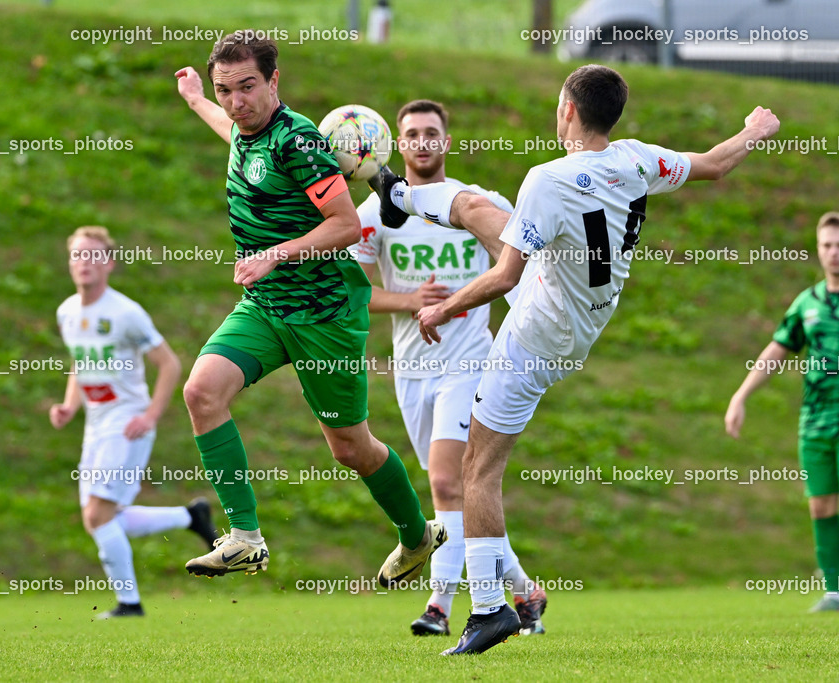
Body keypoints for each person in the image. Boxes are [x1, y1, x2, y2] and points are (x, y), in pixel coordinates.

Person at [373, 64, 780, 654]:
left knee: (476, 470)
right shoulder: (636, 160)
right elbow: (714, 163)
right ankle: (400, 195)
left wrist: (440, 308)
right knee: (481, 211)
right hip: (579, 317)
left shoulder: (548, 180)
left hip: (534, 333)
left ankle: (488, 610)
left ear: (567, 109)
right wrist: (755, 129)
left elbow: (503, 277)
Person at [173, 31, 445, 584]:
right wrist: (198, 99)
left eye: (247, 87)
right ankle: (245, 538)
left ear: (274, 81)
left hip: (324, 314)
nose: (236, 101)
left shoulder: (298, 143)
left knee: (351, 449)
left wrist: (276, 253)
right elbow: (231, 132)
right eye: (226, 89)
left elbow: (346, 225)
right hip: (265, 306)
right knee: (201, 392)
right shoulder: (245, 131)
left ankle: (417, 536)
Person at [355, 99, 547, 637]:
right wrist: (412, 299)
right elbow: (357, 292)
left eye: (431, 132)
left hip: (470, 363)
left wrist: (465, 301)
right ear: (397, 141)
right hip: (412, 372)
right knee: (456, 491)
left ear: (446, 139)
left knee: (446, 481)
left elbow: (520, 264)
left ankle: (440, 604)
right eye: (411, 133)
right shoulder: (375, 214)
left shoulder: (475, 203)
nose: (421, 141)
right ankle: (525, 591)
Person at [50, 225, 219, 619]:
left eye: (93, 255)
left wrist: (150, 415)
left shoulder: (125, 313)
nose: (84, 263)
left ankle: (130, 604)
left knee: (97, 515)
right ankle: (190, 516)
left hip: (126, 423)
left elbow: (169, 364)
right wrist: (68, 406)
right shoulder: (67, 312)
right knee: (104, 519)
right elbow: (81, 364)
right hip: (95, 424)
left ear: (108, 263)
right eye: (77, 255)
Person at [725, 211, 839, 613]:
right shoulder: (807, 303)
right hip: (817, 419)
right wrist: (741, 396)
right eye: (827, 245)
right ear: (818, 249)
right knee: (821, 503)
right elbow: (777, 351)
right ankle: (835, 590)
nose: (833, 252)